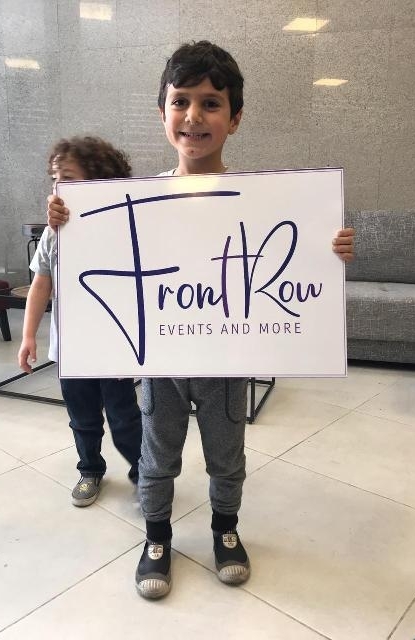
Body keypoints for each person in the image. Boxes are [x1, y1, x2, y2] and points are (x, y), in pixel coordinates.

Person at [47, 42, 355, 598]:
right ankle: (157, 537)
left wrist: (327, 252)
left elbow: (289, 263)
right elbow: (105, 263)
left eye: (211, 103)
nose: (193, 116)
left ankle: (225, 530)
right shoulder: (138, 200)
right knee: (156, 456)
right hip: (162, 364)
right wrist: (70, 224)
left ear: (234, 118)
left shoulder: (262, 203)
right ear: (162, 113)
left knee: (226, 455)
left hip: (226, 362)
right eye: (181, 101)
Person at [18, 136, 142, 508]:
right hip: (71, 349)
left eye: (69, 178)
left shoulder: (120, 226)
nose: (59, 187)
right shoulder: (53, 235)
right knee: (82, 417)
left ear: (99, 181)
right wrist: (28, 336)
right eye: (55, 179)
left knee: (123, 417)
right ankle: (89, 469)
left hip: (114, 347)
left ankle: (143, 473)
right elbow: (41, 284)